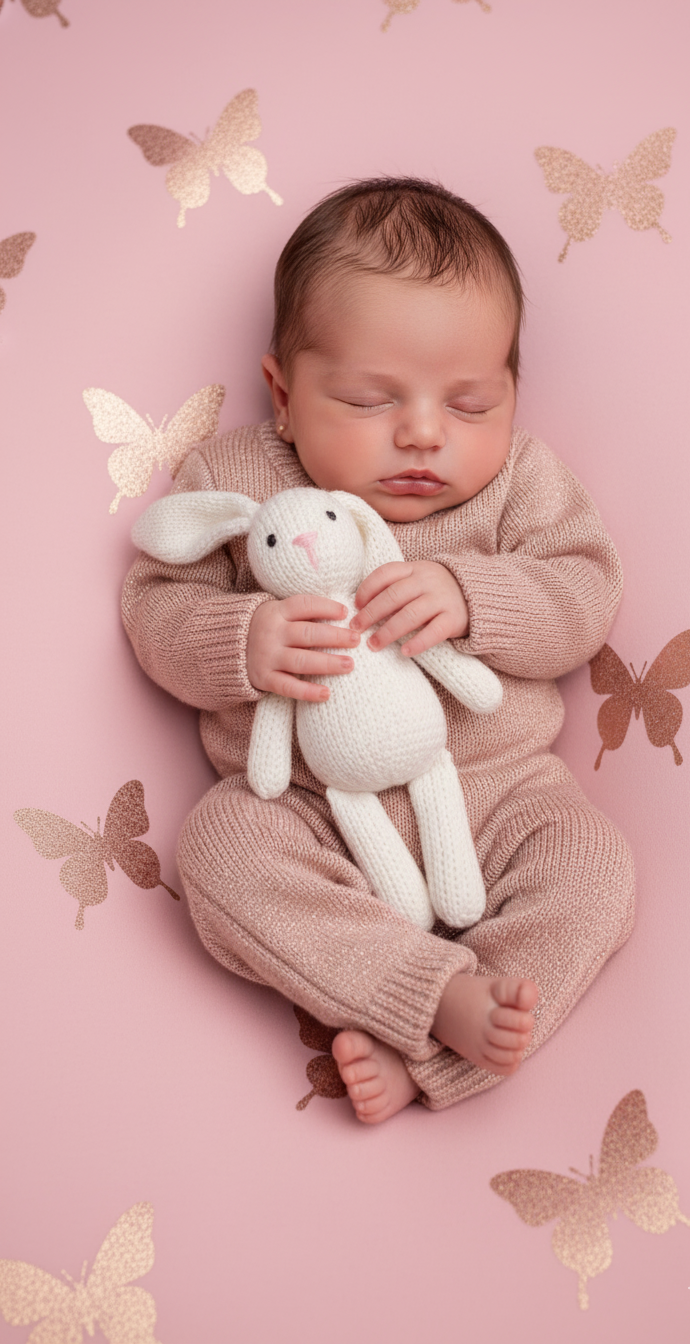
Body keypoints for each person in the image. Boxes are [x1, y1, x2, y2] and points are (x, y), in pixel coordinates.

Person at [122, 178, 635, 1123]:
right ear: (284, 394)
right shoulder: (237, 482)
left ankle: (439, 1056)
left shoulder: (521, 485)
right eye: (368, 400)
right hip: (311, 814)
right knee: (219, 850)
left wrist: (476, 595)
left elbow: (585, 593)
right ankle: (427, 998)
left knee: (596, 868)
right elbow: (156, 605)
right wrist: (242, 639)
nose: (424, 434)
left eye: (471, 404)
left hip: (498, 798)